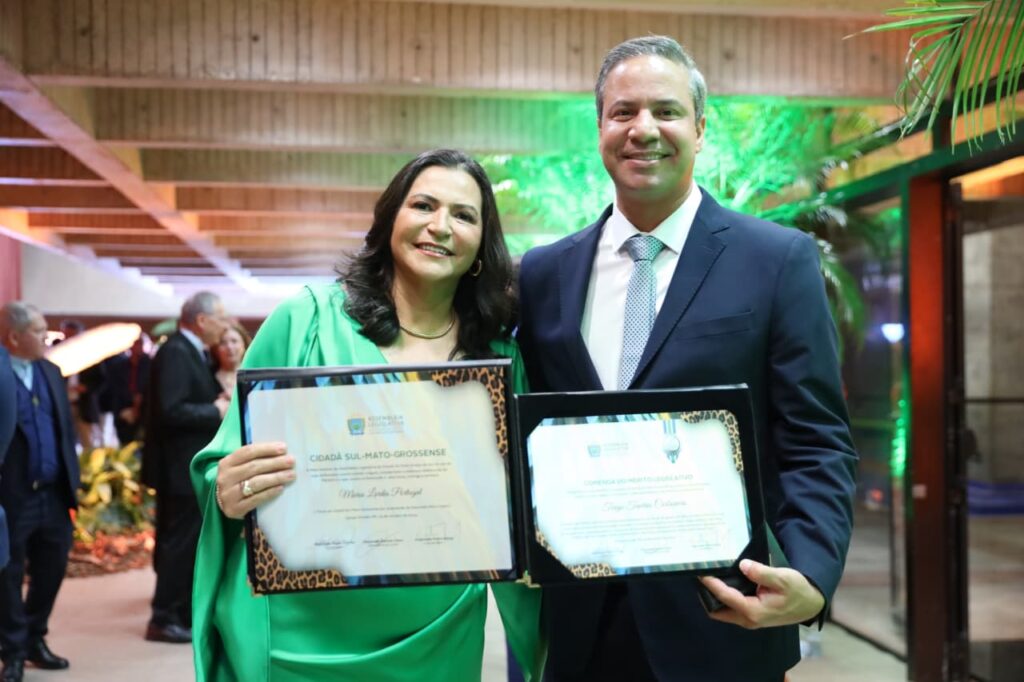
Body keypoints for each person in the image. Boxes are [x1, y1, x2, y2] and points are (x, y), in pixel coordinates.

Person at [515, 36, 857, 682]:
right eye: (624, 112)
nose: (644, 129)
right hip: (577, 631)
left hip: (723, 622)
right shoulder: (543, 273)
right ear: (600, 129)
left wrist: (813, 573)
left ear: (700, 130)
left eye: (666, 111)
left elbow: (816, 440)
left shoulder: (777, 261)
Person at [190, 149, 542, 681]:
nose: (440, 226)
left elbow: (514, 493)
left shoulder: (496, 359)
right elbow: (224, 456)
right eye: (423, 204)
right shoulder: (305, 319)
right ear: (390, 220)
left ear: (480, 249)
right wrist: (225, 485)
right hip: (303, 632)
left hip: (437, 631)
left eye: (464, 215)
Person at [0, 303, 81, 682]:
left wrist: (72, 484)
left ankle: (35, 638)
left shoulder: (50, 371)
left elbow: (63, 430)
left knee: (52, 569)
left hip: (52, 493)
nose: (46, 337)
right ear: (14, 337)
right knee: (9, 576)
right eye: (38, 330)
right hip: (12, 495)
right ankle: (13, 650)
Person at [143, 292, 230, 644]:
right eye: (221, 317)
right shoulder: (177, 351)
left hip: (182, 466)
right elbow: (171, 409)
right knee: (178, 544)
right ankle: (163, 617)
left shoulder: (191, 351)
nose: (226, 324)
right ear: (202, 320)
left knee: (185, 544)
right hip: (177, 468)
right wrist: (215, 411)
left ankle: (178, 612)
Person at [107, 334, 152, 446]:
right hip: (123, 409)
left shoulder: (150, 365)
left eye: (140, 344)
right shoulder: (119, 365)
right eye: (135, 344)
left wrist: (139, 402)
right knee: (125, 442)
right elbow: (116, 387)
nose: (137, 347)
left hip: (144, 411)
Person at [211, 322, 250, 396]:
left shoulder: (253, 374)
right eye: (223, 343)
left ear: (244, 345)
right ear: (216, 349)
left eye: (234, 341)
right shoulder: (207, 376)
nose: (229, 347)